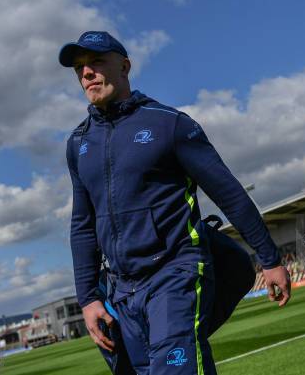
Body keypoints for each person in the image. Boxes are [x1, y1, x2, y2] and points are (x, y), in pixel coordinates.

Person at [60, 31, 291, 374]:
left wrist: (269, 259)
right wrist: (89, 298)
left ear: (124, 67)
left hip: (175, 272)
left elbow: (228, 192)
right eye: (79, 68)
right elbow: (82, 225)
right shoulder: (78, 142)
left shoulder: (168, 124)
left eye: (96, 62)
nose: (86, 73)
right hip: (122, 290)